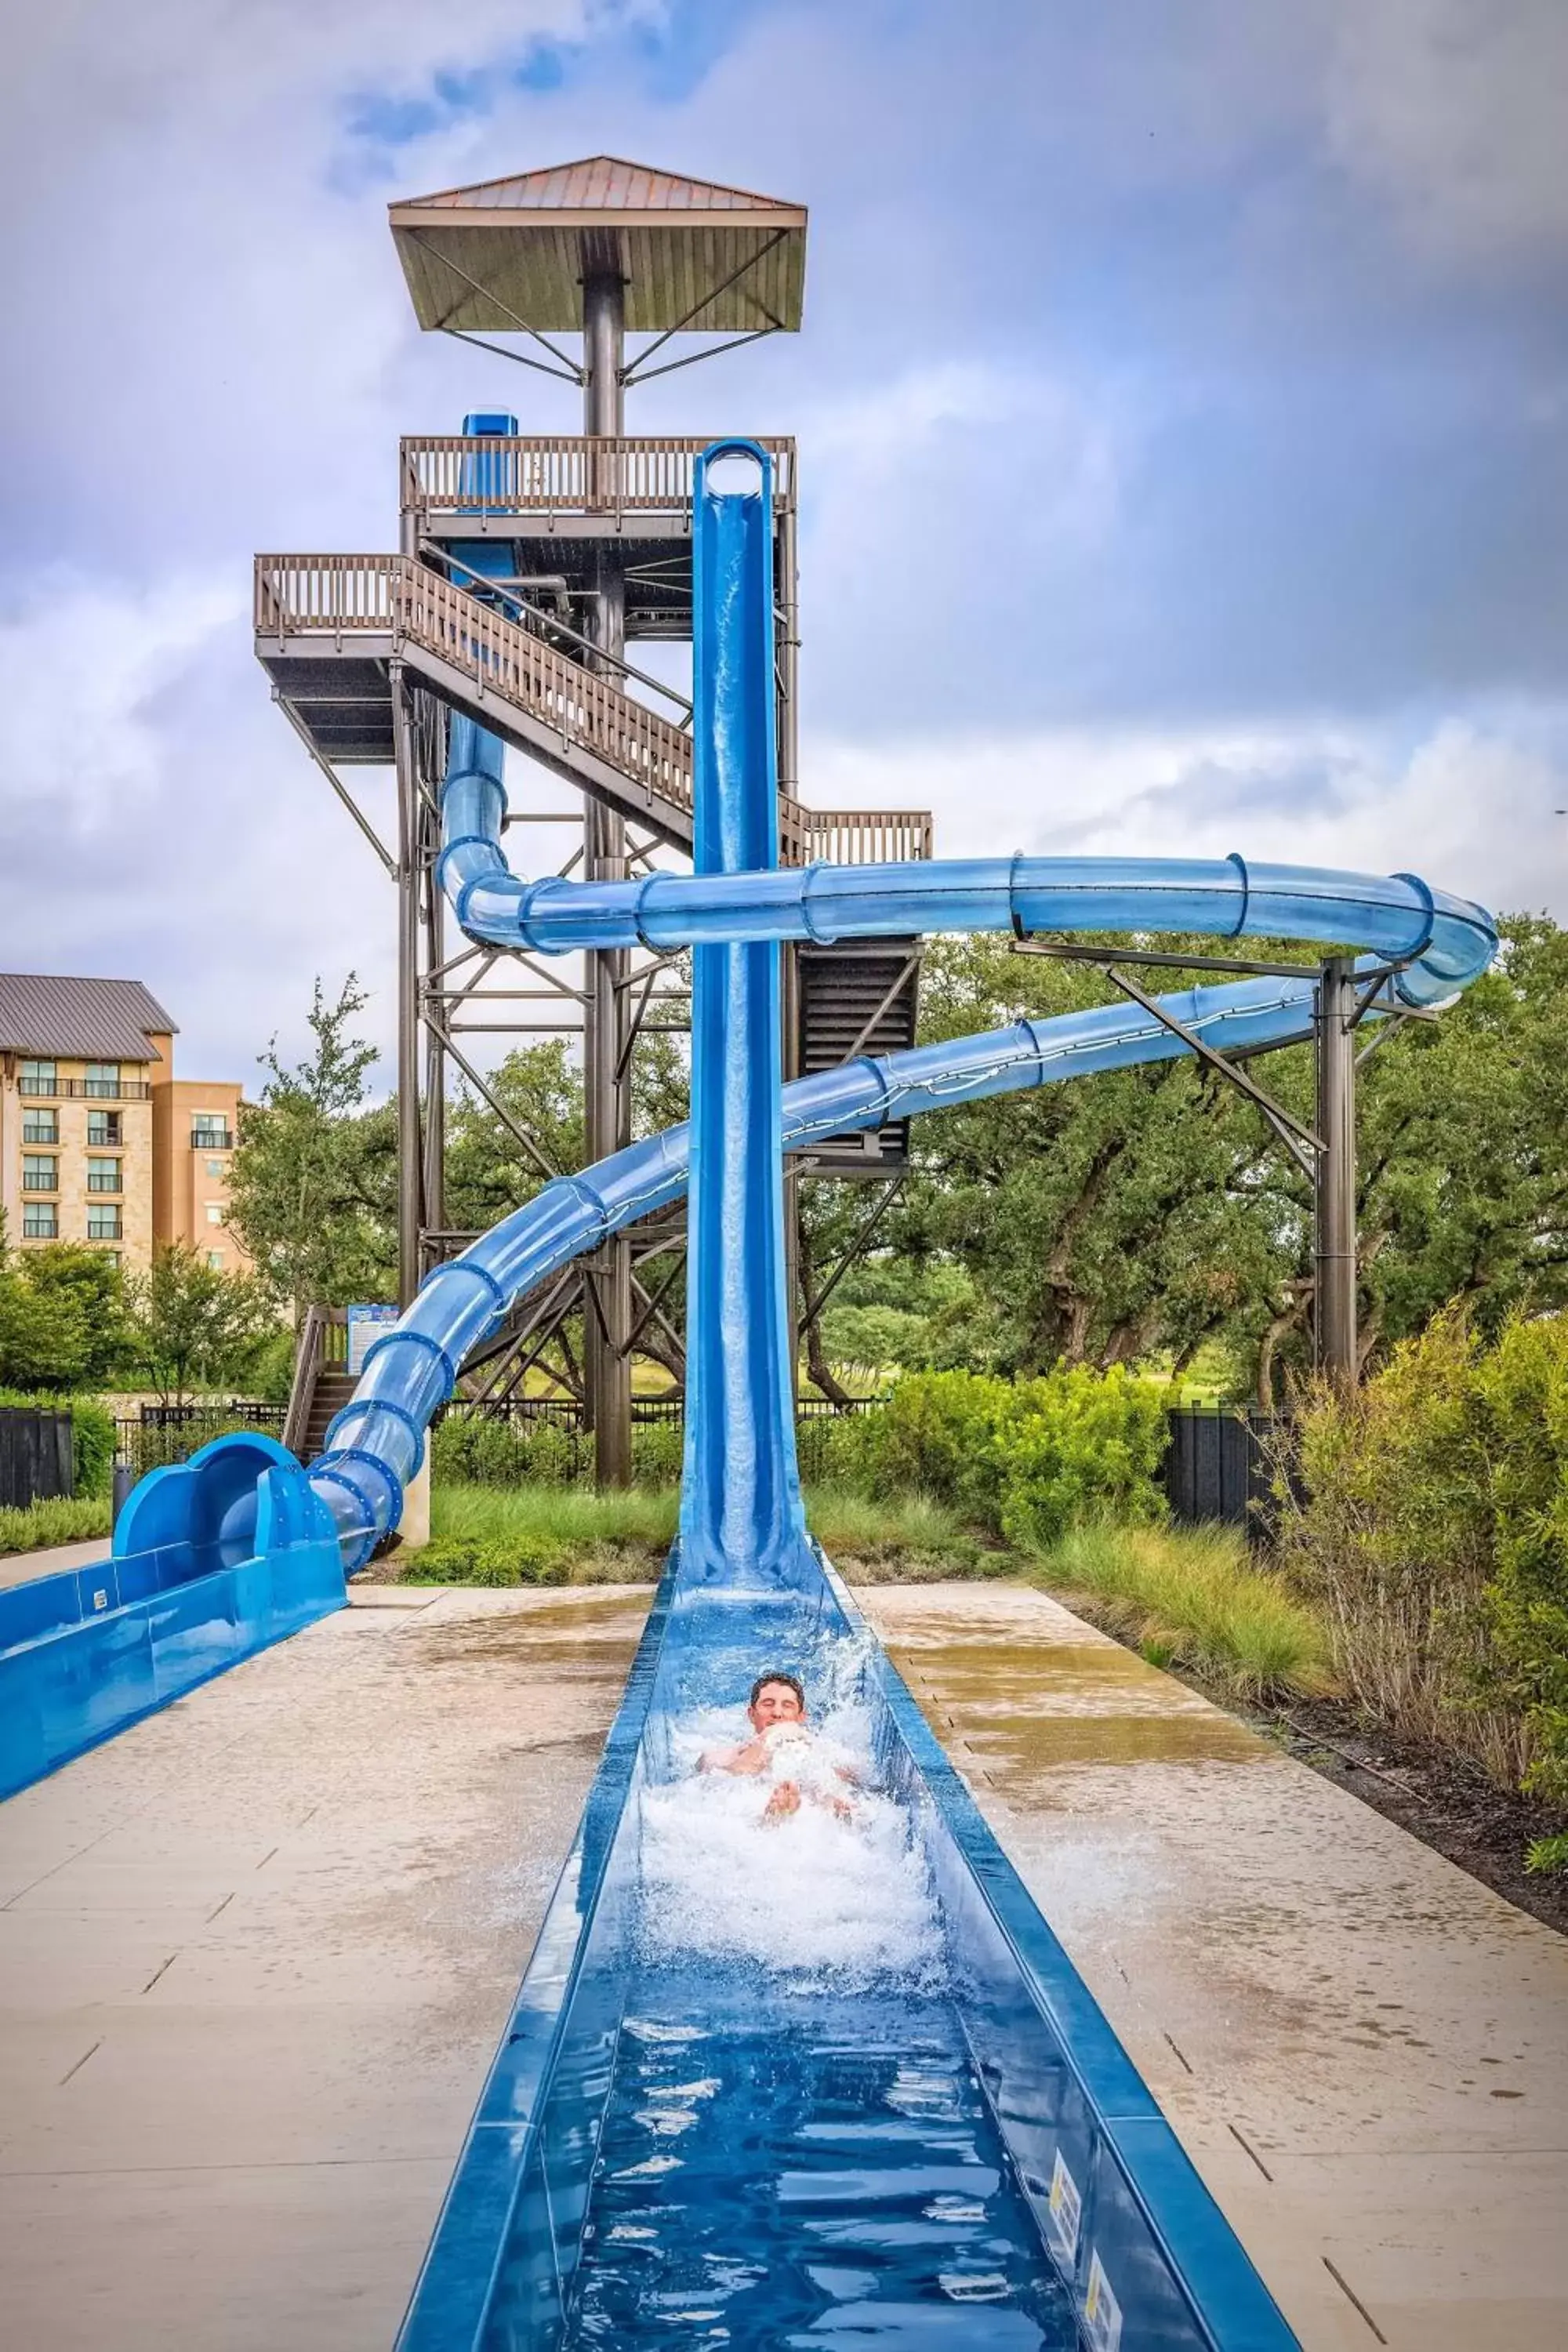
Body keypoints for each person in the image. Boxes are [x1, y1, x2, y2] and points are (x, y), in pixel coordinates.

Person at [699, 1671, 857, 1822]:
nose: (777, 1713)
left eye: (787, 1705)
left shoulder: (820, 1753)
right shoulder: (720, 1756)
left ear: (801, 1716)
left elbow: (854, 1780)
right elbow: (717, 1786)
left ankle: (781, 1814)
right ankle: (773, 1818)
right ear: (751, 1714)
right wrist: (767, 1738)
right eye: (768, 1704)